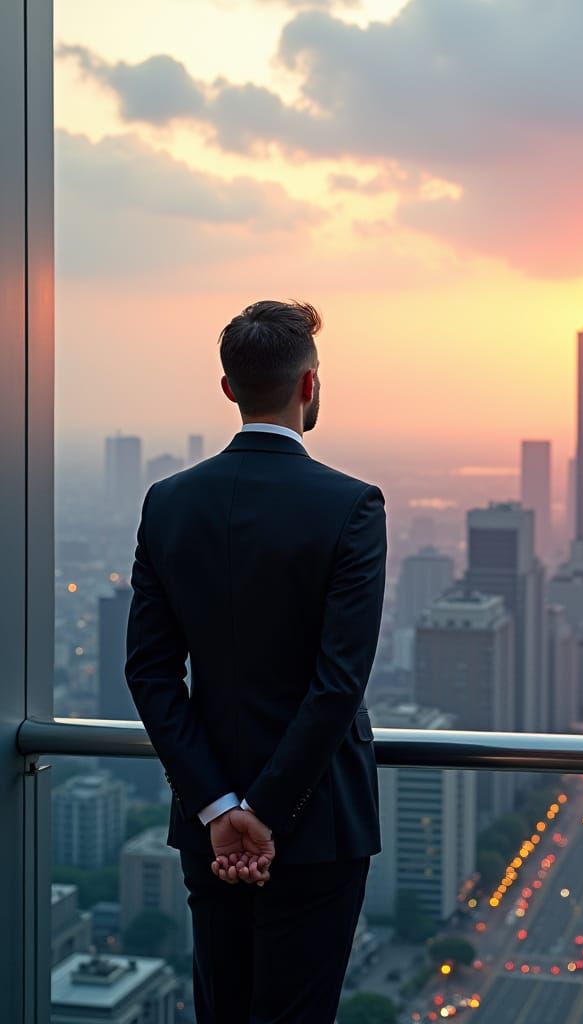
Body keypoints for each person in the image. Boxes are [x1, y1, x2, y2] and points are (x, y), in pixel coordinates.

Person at [125, 300, 386, 1023]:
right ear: (309, 387)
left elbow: (149, 672)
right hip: (320, 823)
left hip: (208, 820)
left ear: (228, 388)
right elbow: (337, 686)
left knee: (224, 1009)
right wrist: (264, 814)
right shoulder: (351, 506)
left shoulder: (169, 503)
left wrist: (221, 808)